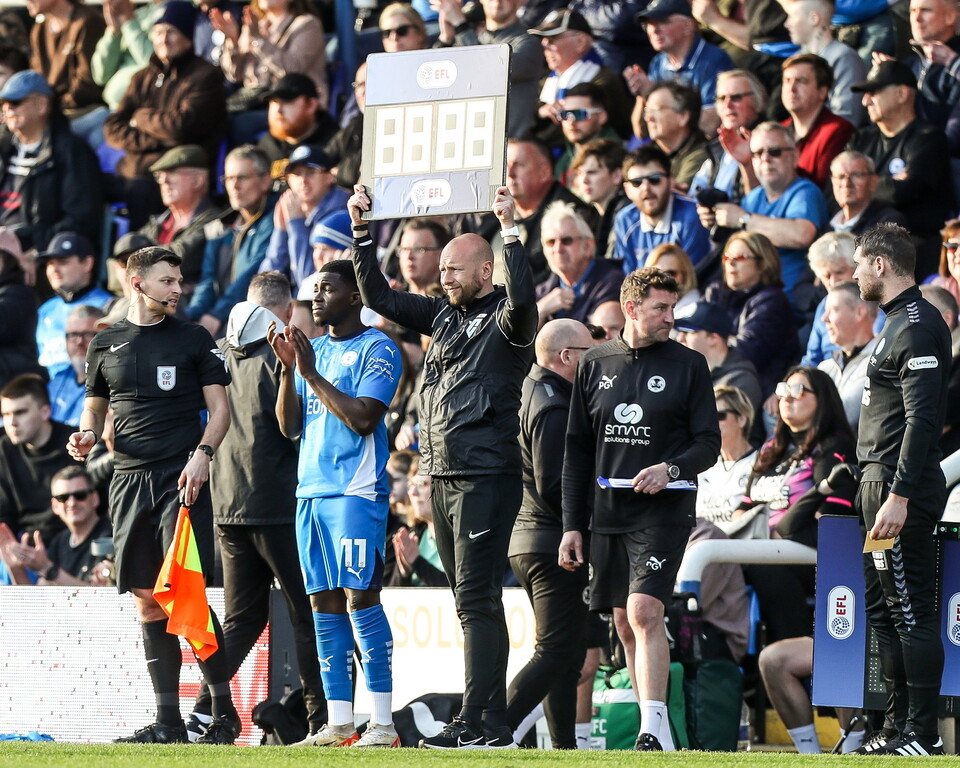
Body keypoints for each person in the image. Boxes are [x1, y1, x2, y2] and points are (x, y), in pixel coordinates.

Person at [349, 184, 539, 749]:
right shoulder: (442, 317)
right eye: (444, 267)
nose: (445, 275)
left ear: (487, 272)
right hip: (447, 475)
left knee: (477, 598)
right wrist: (362, 232)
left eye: (457, 268)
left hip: (488, 475)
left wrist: (512, 233)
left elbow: (525, 301)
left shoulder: (507, 320)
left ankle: (483, 722)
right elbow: (380, 298)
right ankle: (484, 720)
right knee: (468, 600)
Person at [68, 246, 240, 745]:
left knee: (185, 594)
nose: (178, 288)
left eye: (180, 280)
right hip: (127, 482)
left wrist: (203, 454)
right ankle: (168, 724)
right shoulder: (107, 344)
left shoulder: (193, 338)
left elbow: (221, 411)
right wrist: (84, 435)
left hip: (179, 479)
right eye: (168, 280)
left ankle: (223, 715)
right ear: (137, 283)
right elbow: (94, 411)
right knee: (146, 599)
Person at [559, 267, 720, 752]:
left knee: (645, 610)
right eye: (661, 308)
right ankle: (660, 734)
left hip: (663, 511)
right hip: (608, 513)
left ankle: (652, 729)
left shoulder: (689, 365)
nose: (670, 317)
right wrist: (572, 525)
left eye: (672, 308)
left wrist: (670, 469)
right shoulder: (595, 363)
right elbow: (577, 451)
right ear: (631, 308)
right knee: (625, 623)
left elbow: (708, 443)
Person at [269, 259, 401, 748]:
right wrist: (290, 373)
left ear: (354, 297)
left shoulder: (378, 348)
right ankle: (340, 721)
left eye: (328, 288)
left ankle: (383, 723)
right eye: (314, 288)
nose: (317, 296)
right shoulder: (313, 350)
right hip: (310, 492)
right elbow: (290, 426)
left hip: (354, 492)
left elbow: (363, 419)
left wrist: (311, 374)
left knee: (360, 598)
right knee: (323, 604)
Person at [188, 272, 325, 741]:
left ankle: (206, 710)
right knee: (308, 612)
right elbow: (296, 428)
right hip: (279, 505)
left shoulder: (219, 354)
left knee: (243, 618)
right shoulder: (282, 354)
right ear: (286, 311)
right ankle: (319, 720)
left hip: (227, 504)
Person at [848, 223, 950, 756]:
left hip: (897, 487)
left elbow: (921, 420)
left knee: (910, 609)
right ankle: (893, 727)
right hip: (877, 483)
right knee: (884, 609)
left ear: (882, 265)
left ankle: (924, 734)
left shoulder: (915, 325)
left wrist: (900, 494)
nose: (854, 273)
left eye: (859, 263)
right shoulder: (892, 323)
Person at [507, 318, 596, 750]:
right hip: (552, 540)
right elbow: (555, 483)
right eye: (589, 355)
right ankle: (489, 729)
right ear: (567, 357)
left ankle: (563, 747)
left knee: (568, 653)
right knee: (556, 650)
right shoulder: (554, 404)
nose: (596, 362)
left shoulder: (529, 389)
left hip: (529, 538)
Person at [738, 367, 856, 636]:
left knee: (763, 570)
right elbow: (741, 509)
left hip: (807, 557)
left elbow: (831, 525)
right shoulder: (770, 449)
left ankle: (792, 649)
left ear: (822, 399)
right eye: (782, 391)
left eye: (798, 391)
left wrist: (775, 536)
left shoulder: (834, 447)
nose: (787, 398)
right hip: (755, 548)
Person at [103, 1, 227, 229]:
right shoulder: (143, 77)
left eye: (171, 31)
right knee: (84, 182)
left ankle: (141, 258)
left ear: (187, 37)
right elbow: (113, 126)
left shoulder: (205, 76)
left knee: (140, 190)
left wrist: (139, 118)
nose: (163, 39)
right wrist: (156, 139)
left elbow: (182, 126)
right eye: (158, 32)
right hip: (133, 169)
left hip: (176, 173)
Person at [697, 121, 827, 312]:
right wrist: (714, 217)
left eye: (774, 152)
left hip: (789, 308)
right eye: (758, 153)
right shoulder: (756, 196)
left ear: (795, 156)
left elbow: (801, 235)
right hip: (749, 302)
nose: (765, 159)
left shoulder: (804, 191)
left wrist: (743, 219)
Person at [849, 60, 952, 280]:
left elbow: (904, 192)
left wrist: (863, 185)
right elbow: (835, 189)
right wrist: (888, 181)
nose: (866, 100)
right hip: (860, 237)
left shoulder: (928, 139)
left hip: (911, 246)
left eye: (874, 92)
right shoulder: (861, 138)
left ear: (902, 94)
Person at [0, 70, 103, 259]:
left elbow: (80, 219)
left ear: (42, 105)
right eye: (3, 104)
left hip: (41, 254)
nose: (8, 110)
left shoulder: (72, 152)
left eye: (15, 103)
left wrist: (35, 250)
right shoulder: (4, 150)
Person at [187, 145, 277, 336]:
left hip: (254, 321)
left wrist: (217, 315)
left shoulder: (276, 219)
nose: (234, 186)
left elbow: (253, 275)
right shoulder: (220, 226)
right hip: (220, 318)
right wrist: (192, 316)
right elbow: (207, 280)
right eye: (229, 178)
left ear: (265, 181)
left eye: (242, 177)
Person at [703, 231, 799, 396]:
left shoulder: (772, 301)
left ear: (762, 264)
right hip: (716, 380)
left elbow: (746, 352)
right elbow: (692, 333)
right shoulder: (716, 292)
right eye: (727, 258)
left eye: (740, 257)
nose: (731, 263)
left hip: (757, 390)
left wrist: (709, 342)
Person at [432, 0, 546, 138]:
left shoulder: (528, 42)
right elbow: (433, 81)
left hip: (512, 146)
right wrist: (446, 38)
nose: (497, 2)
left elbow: (490, 69)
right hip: (472, 142)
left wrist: (461, 26)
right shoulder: (469, 40)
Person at [627, 0, 733, 137]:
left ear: (688, 25)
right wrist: (645, 96)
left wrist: (655, 96)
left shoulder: (713, 60)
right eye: (648, 24)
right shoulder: (658, 63)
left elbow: (711, 124)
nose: (654, 30)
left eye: (663, 21)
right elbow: (642, 133)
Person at [528, 9, 632, 146]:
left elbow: (567, 132)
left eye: (552, 40)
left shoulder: (601, 79)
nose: (545, 47)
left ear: (581, 42)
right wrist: (540, 113)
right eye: (543, 41)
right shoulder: (544, 80)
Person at [259, 144, 349, 294]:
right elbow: (266, 282)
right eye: (296, 173)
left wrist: (296, 226)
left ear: (330, 177)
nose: (303, 180)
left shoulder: (342, 214)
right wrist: (281, 231)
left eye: (311, 172)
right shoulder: (293, 210)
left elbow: (309, 287)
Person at [0, 465, 111, 586]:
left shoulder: (111, 538)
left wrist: (48, 568)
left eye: (80, 495)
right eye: (63, 498)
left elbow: (102, 598)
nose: (72, 503)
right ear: (55, 506)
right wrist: (16, 569)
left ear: (95, 498)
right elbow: (38, 602)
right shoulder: (59, 541)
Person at [137, 145, 220, 298]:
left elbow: (177, 259)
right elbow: (116, 262)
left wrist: (131, 265)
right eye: (160, 175)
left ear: (198, 180)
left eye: (172, 173)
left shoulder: (214, 221)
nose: (164, 181)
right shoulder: (158, 222)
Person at [0, 373, 75, 540]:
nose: (11, 422)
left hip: (71, 542)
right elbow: (4, 514)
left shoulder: (74, 444)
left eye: (20, 412)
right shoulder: (5, 449)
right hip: (24, 544)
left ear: (45, 411)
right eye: (5, 414)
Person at [614, 144, 710, 271]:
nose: (646, 188)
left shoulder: (692, 215)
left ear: (670, 182)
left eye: (654, 179)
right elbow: (625, 280)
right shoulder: (624, 220)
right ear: (627, 190)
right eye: (636, 182)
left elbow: (692, 279)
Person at [27, 0, 107, 147]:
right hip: (52, 112)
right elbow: (36, 80)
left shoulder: (87, 21)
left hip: (85, 113)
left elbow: (87, 84)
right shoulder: (39, 30)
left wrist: (50, 108)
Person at [34, 232, 113, 377]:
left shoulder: (108, 305)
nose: (54, 269)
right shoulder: (46, 309)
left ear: (87, 263)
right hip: (51, 392)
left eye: (63, 262)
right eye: (50, 263)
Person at [536, 202, 624, 326]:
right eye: (550, 242)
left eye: (566, 241)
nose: (558, 249)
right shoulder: (543, 290)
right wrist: (541, 309)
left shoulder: (613, 283)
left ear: (588, 246)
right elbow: (520, 341)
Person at [781, 0, 866, 125]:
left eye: (792, 16)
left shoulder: (844, 58)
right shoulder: (796, 60)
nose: (786, 24)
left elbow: (846, 117)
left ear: (814, 19)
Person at [689, 68, 766, 203]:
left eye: (736, 97)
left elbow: (762, 203)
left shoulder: (770, 143)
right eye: (721, 98)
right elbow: (694, 195)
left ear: (757, 100)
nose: (728, 105)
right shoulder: (715, 147)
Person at [779, 53, 855, 188]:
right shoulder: (779, 131)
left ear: (822, 92)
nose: (791, 89)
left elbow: (821, 188)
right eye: (787, 80)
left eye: (801, 81)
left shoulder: (838, 130)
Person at [675, 300, 763, 412]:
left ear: (713, 338)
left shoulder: (742, 381)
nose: (680, 338)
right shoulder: (686, 374)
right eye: (680, 332)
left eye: (688, 332)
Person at [817, 280, 879, 434]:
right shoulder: (825, 367)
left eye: (833, 310)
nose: (824, 319)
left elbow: (846, 413)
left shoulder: (882, 360)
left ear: (860, 313)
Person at [695, 385, 758, 531]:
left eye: (719, 416)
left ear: (742, 419)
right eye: (706, 417)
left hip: (738, 547)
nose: (711, 423)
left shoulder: (761, 463)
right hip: (700, 546)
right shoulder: (701, 466)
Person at [257, 73, 339, 178]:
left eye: (287, 102)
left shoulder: (335, 143)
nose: (278, 110)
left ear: (311, 105)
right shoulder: (267, 144)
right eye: (274, 102)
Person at [642, 82, 709, 190]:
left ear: (683, 116)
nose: (649, 118)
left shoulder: (701, 154)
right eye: (647, 111)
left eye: (656, 110)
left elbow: (675, 195)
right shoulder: (647, 154)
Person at [48, 305, 106, 427]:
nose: (79, 342)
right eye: (73, 334)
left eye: (88, 334)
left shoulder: (114, 381)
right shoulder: (57, 381)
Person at [569, 138, 628, 257]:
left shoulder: (627, 214)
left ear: (617, 175)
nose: (584, 180)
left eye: (592, 172)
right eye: (580, 173)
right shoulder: (587, 216)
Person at [554, 83, 621, 187]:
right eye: (565, 115)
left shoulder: (619, 155)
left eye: (580, 114)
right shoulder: (563, 162)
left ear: (601, 117)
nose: (571, 122)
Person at [828, 150, 907, 235]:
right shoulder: (826, 220)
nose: (846, 183)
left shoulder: (888, 223)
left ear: (873, 182)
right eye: (840, 177)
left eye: (856, 175)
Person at [646, 242, 701, 310]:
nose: (663, 279)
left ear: (685, 276)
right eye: (656, 274)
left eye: (670, 273)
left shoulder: (695, 310)